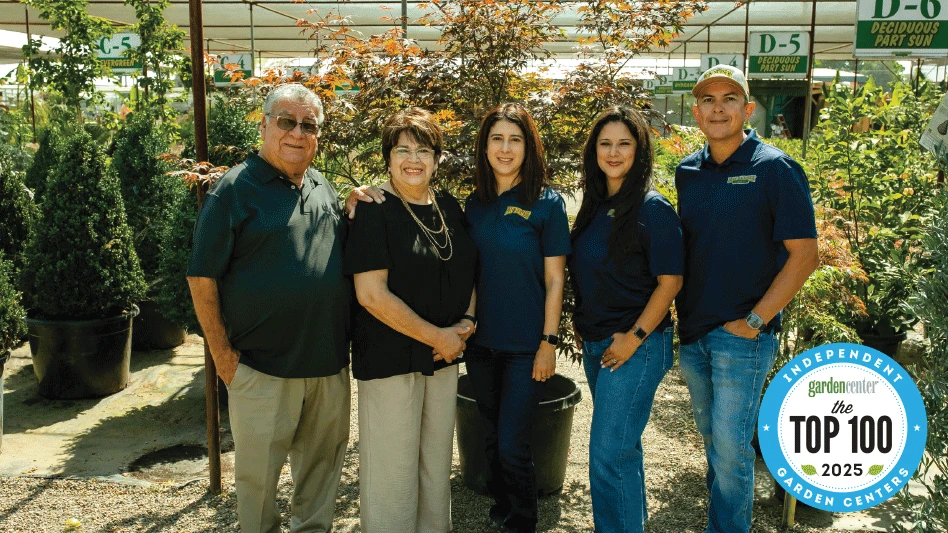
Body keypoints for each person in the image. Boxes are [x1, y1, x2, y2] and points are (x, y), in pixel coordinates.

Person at [187, 83, 351, 533]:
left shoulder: (323, 187)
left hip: (327, 367)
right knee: (257, 487)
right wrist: (223, 358)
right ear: (264, 125)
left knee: (320, 478)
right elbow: (202, 278)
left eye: (309, 125)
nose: (298, 133)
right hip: (260, 370)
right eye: (287, 121)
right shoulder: (234, 190)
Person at [675, 65, 819, 533]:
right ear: (696, 112)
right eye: (709, 100)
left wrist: (756, 320)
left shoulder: (774, 168)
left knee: (733, 447)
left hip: (743, 336)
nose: (719, 107)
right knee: (715, 442)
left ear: (748, 108)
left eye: (729, 98)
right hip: (695, 333)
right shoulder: (688, 172)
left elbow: (805, 255)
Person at [343, 107, 477, 533]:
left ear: (437, 159)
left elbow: (470, 269)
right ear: (387, 158)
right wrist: (438, 336)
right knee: (393, 473)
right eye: (402, 149)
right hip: (390, 360)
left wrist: (467, 322)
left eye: (423, 150)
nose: (413, 159)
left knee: (435, 466)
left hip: (444, 357)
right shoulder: (373, 209)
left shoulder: (449, 207)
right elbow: (370, 294)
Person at [569, 106, 683, 532]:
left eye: (624, 144)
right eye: (605, 144)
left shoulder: (652, 208)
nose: (613, 152)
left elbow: (670, 282)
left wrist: (634, 337)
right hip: (601, 344)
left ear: (640, 150)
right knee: (622, 451)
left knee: (607, 455)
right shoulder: (597, 204)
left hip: (637, 346)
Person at [463, 103, 570, 533]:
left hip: (527, 347)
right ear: (485, 147)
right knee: (490, 435)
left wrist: (549, 341)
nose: (505, 148)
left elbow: (555, 279)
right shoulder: (475, 203)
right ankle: (502, 508)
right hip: (481, 344)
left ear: (529, 147)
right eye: (497, 139)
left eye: (515, 139)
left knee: (513, 443)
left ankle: (523, 521)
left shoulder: (546, 204)